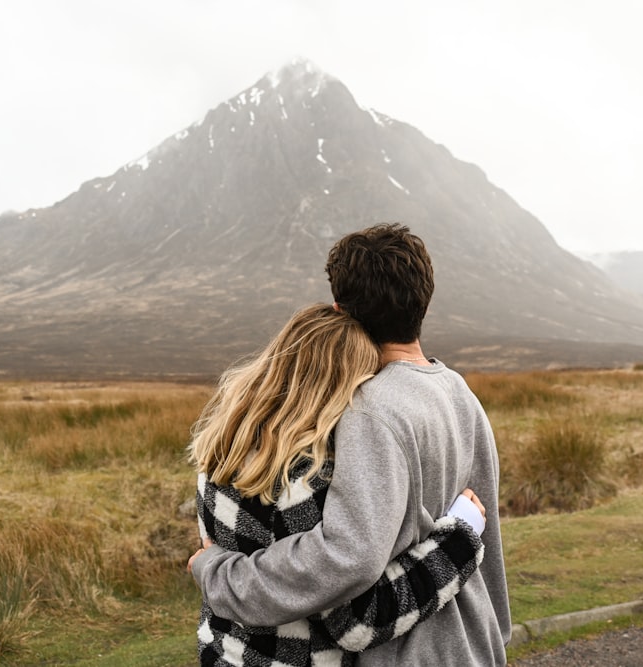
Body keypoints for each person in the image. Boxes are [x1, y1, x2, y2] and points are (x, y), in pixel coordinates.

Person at [191, 225, 511, 666]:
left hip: (407, 654)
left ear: (341, 310)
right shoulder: (461, 394)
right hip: (477, 644)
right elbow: (485, 541)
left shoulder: (366, 411)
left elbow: (345, 562)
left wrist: (217, 574)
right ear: (424, 301)